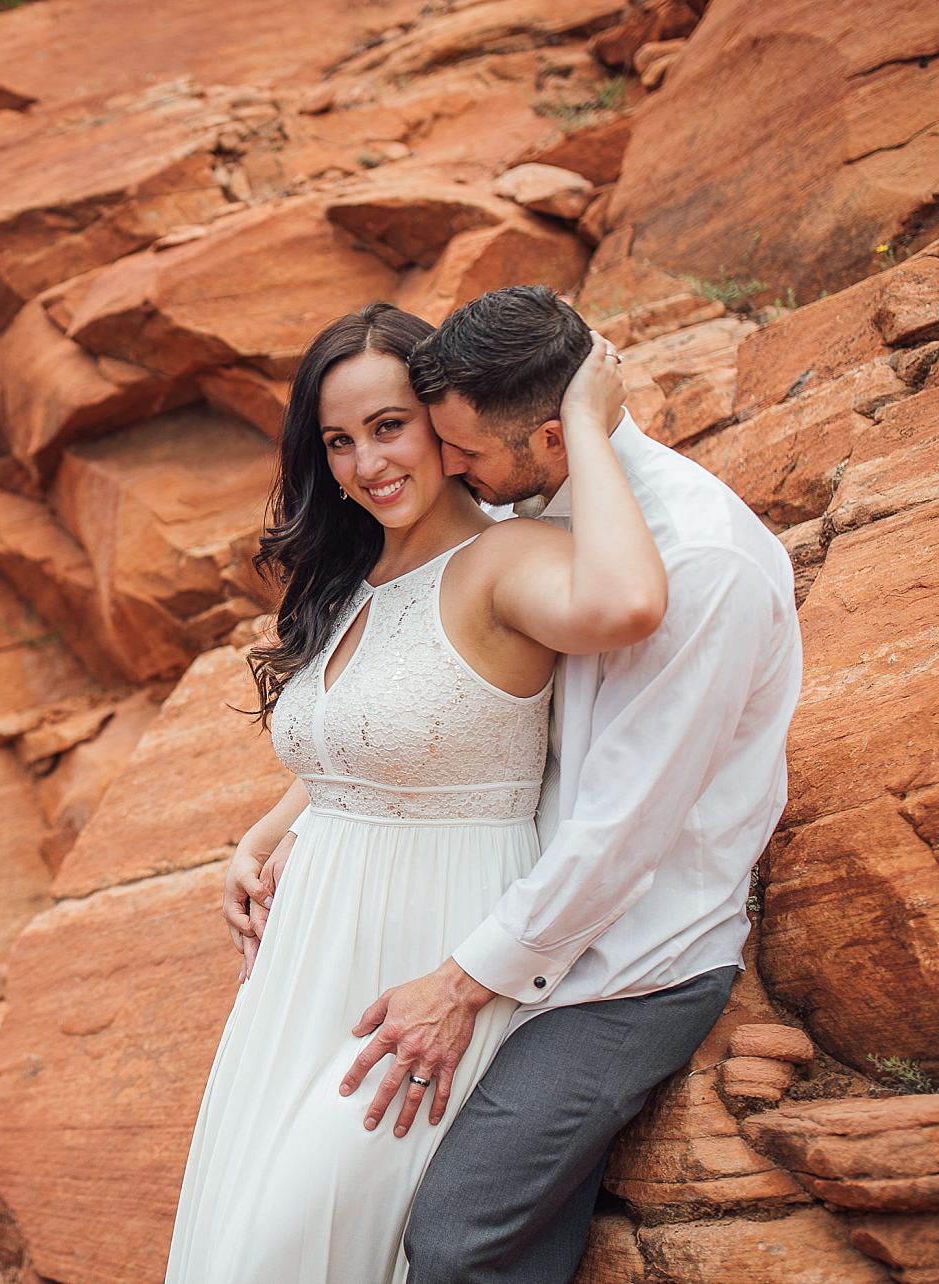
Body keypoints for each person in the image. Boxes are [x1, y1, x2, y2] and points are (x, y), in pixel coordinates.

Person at [244, 285, 803, 1283]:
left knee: (455, 1239)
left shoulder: (700, 563)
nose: (446, 471)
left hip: (627, 962)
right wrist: (295, 823)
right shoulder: (543, 510)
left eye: (461, 452)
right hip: (516, 923)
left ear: (551, 438)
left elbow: (624, 835)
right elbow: (454, 716)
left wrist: (460, 986)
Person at [164, 300, 664, 1284]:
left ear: (442, 419)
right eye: (338, 442)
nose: (366, 465)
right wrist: (261, 837)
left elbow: (628, 603)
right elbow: (362, 753)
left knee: (287, 1249)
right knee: (247, 1241)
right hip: (303, 971)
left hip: (427, 954)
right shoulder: (357, 571)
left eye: (389, 427)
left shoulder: (504, 560)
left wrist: (589, 423)